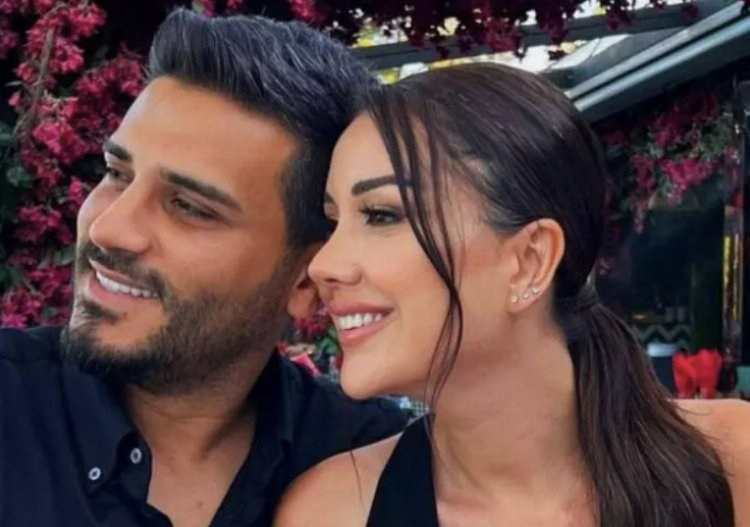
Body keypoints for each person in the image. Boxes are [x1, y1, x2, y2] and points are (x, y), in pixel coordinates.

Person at [274, 63, 750, 527]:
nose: (323, 266)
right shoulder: (332, 512)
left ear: (528, 261)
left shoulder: (733, 461)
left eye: (381, 215)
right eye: (334, 223)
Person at [0, 9, 406, 527]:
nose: (108, 229)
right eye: (117, 173)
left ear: (306, 279)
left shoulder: (374, 464)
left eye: (189, 206)